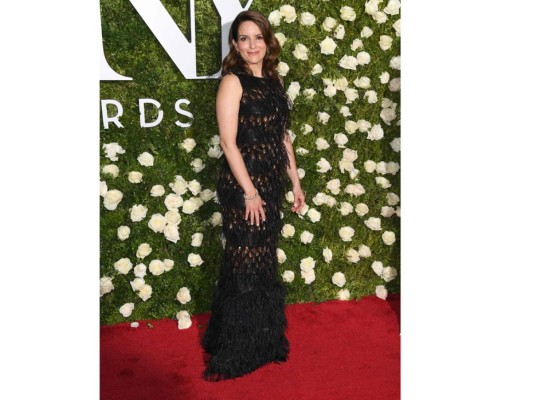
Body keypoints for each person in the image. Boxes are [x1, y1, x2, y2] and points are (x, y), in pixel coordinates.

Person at [200, 10, 306, 381]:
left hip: (271, 186)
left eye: (257, 37)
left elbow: (282, 137)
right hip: (243, 188)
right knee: (246, 260)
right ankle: (238, 347)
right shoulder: (233, 81)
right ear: (234, 44)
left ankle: (260, 337)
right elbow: (229, 144)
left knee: (260, 261)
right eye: (244, 38)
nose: (252, 45)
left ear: (267, 40)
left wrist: (294, 181)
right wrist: (249, 193)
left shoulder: (274, 82)